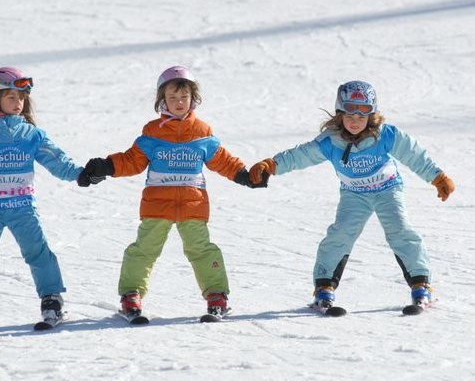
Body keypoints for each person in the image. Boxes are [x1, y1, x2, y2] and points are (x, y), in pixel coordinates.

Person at [249, 80, 455, 310]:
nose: (355, 121)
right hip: (354, 194)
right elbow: (300, 155)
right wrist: (271, 165)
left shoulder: (385, 135)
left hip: (388, 189)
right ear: (339, 114)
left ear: (371, 115)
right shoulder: (330, 141)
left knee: (400, 230)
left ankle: (421, 284)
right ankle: (324, 287)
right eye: (349, 115)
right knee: (341, 234)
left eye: (362, 116)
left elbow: (414, 154)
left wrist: (437, 177)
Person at [81, 65, 265, 317]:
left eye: (184, 97)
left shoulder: (202, 133)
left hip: (193, 205)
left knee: (202, 249)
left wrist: (244, 176)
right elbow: (132, 160)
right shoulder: (153, 133)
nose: (179, 103)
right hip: (157, 205)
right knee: (144, 249)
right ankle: (131, 294)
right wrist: (107, 165)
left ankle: (216, 294)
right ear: (162, 100)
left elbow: (222, 160)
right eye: (172, 98)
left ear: (193, 99)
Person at [0, 66, 98, 322]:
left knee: (37, 251)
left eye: (22, 97)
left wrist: (80, 174)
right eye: (11, 96)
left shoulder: (31, 134)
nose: (18, 103)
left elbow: (57, 160)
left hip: (21, 206)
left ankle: (51, 298)